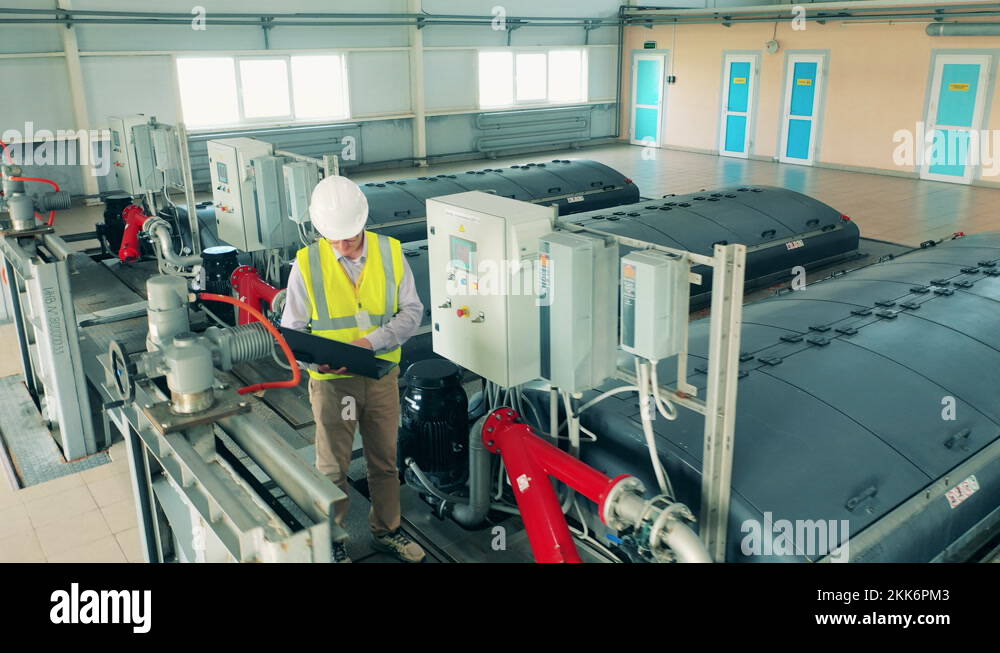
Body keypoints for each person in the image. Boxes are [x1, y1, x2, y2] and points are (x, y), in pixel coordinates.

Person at [281, 175, 426, 564]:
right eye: (335, 238)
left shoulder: (390, 252)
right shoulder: (306, 263)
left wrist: (370, 343)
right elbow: (291, 331)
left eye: (349, 235)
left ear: (363, 220)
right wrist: (314, 359)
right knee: (332, 467)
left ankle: (387, 531)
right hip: (334, 386)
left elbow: (412, 312)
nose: (343, 245)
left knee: (384, 460)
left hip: (380, 378)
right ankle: (334, 541)